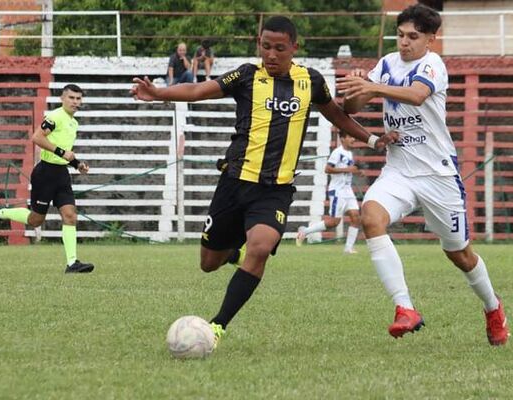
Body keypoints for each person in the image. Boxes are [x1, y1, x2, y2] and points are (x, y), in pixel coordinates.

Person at [131, 16, 397, 346]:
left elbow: (337, 115)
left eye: (279, 48)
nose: (271, 54)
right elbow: (199, 89)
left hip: (275, 189)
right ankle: (236, 255)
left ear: (294, 48)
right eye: (265, 46)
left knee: (260, 247)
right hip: (234, 182)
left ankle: (217, 326)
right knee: (208, 263)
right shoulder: (246, 75)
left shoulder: (310, 81)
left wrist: (373, 140)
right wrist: (157, 93)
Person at [336, 4, 509, 345]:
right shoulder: (386, 63)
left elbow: (416, 95)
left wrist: (374, 88)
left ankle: (493, 308)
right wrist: (357, 87)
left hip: (437, 175)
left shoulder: (433, 64)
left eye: (413, 37)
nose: (404, 43)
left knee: (459, 254)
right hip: (399, 170)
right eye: (400, 35)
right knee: (371, 218)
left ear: (432, 38)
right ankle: (405, 309)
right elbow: (352, 109)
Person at [0, 84, 95, 274]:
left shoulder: (74, 122)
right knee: (35, 220)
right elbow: (37, 137)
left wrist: (77, 165)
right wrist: (61, 152)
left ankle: (72, 263)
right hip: (45, 174)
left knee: (70, 215)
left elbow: (65, 151)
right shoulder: (54, 117)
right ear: (62, 98)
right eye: (72, 98)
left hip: (61, 175)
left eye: (78, 98)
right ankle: (1, 213)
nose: (75, 102)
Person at [296, 131, 362, 254]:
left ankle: (348, 248)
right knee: (334, 222)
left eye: (354, 137)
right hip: (338, 191)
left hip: (348, 190)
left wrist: (356, 172)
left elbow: (347, 170)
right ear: (342, 139)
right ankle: (305, 231)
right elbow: (328, 169)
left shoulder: (349, 153)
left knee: (355, 217)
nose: (353, 139)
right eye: (350, 136)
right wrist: (348, 169)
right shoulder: (337, 152)